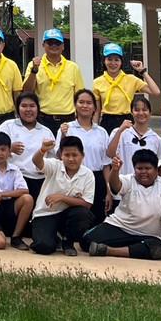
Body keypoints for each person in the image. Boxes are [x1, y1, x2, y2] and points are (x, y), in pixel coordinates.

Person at [81, 148, 161, 261]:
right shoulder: (129, 180)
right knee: (86, 242)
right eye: (139, 168)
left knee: (158, 250)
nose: (143, 172)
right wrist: (115, 170)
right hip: (120, 227)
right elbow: (115, 186)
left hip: (149, 235)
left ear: (156, 170)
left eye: (147, 168)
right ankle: (131, 249)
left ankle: (109, 250)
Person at [29, 134, 94, 255]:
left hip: (68, 215)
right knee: (43, 247)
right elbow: (37, 162)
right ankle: (53, 237)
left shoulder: (88, 174)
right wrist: (42, 150)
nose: (71, 159)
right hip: (46, 213)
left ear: (82, 156)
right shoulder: (55, 166)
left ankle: (68, 242)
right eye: (67, 155)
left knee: (83, 214)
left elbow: (87, 204)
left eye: (75, 155)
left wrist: (62, 198)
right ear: (61, 155)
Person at [58, 88, 114, 221]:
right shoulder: (66, 128)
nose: (85, 106)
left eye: (89, 103)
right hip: (74, 178)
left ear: (94, 107)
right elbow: (59, 156)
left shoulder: (101, 132)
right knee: (77, 217)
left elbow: (106, 165)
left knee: (98, 218)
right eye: (81, 102)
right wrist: (63, 136)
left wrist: (109, 192)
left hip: (97, 179)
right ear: (75, 105)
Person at [21, 28, 85, 130]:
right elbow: (27, 92)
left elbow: (79, 95)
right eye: (50, 42)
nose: (54, 45)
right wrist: (34, 71)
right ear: (43, 45)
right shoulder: (34, 65)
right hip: (42, 118)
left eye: (57, 43)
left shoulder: (73, 67)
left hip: (68, 119)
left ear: (63, 46)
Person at [92, 43, 161, 133]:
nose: (113, 63)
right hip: (107, 121)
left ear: (121, 62)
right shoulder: (97, 82)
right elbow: (97, 110)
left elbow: (156, 92)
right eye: (109, 59)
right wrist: (95, 130)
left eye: (116, 60)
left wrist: (142, 71)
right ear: (104, 61)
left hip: (127, 121)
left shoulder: (131, 79)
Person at [0, 132, 33, 250]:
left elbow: (24, 190)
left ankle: (16, 237)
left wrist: (2, 194)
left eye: (3, 149)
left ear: (10, 151)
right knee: (1, 244)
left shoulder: (14, 169)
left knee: (28, 199)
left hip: (8, 207)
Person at [2, 92, 56, 201]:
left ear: (38, 108)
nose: (28, 110)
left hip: (39, 179)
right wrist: (10, 148)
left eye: (32, 106)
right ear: (17, 108)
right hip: (13, 178)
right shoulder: (7, 126)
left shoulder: (46, 131)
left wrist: (45, 167)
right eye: (24, 106)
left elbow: (53, 158)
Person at [107, 95, 161, 186]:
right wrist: (120, 131)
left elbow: (160, 166)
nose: (141, 113)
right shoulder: (121, 133)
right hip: (124, 185)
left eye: (144, 110)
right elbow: (110, 154)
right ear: (131, 112)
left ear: (150, 112)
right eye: (137, 110)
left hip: (147, 188)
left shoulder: (157, 139)